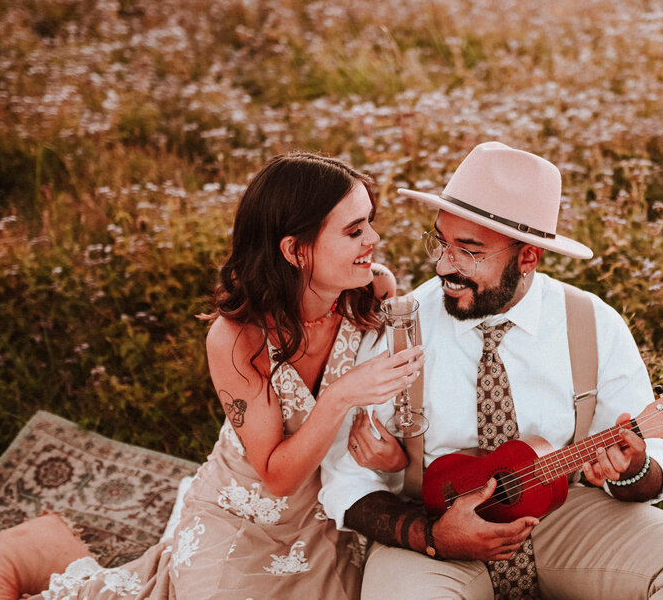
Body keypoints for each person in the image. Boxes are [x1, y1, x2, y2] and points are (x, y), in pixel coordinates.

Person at [320, 142, 663, 600]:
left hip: (562, 515)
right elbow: (348, 481)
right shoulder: (402, 326)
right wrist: (434, 537)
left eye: (469, 251)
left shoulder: (593, 323)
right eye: (441, 242)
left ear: (528, 258)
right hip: (432, 525)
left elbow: (648, 468)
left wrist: (633, 468)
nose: (443, 266)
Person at [28, 153, 425, 599]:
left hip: (335, 507)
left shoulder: (372, 291)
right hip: (247, 514)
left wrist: (393, 461)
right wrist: (339, 396)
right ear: (295, 249)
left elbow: (391, 411)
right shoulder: (236, 338)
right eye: (354, 231)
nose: (373, 237)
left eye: (369, 221)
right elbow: (277, 477)